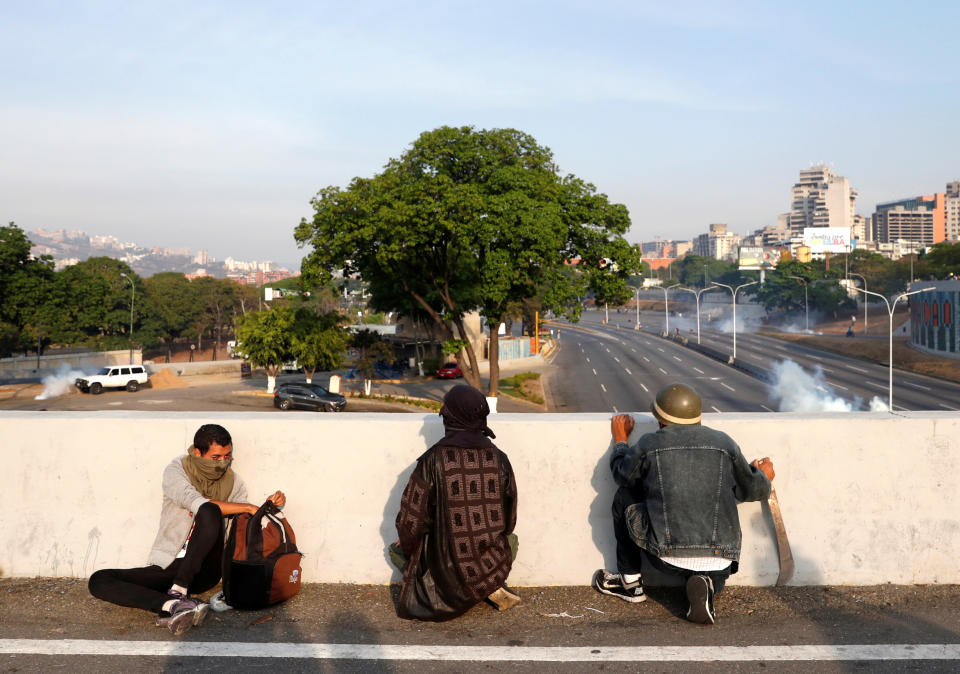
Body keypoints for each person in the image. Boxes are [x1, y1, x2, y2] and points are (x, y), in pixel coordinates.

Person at [593, 383, 775, 625]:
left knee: (625, 496)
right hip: (721, 558)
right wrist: (762, 475)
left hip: (666, 559)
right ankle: (707, 585)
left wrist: (620, 440)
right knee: (713, 572)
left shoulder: (650, 444)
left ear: (660, 421)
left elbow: (621, 475)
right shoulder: (724, 444)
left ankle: (630, 584)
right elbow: (755, 490)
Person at [89, 424, 286, 635]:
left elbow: (241, 521)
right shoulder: (176, 471)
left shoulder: (234, 482)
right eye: (216, 457)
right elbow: (192, 500)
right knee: (99, 580)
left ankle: (179, 591)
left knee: (210, 511)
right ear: (198, 453)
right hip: (170, 563)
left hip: (206, 569)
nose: (222, 463)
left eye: (227, 456)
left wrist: (267, 507)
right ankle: (173, 605)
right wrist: (247, 506)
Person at [393, 384, 520, 621]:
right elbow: (509, 521)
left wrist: (411, 553)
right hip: (490, 564)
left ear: (451, 419)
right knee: (512, 541)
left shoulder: (432, 460)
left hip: (443, 575)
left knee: (395, 549)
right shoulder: (500, 460)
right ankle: (487, 586)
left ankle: (454, 589)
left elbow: (410, 522)